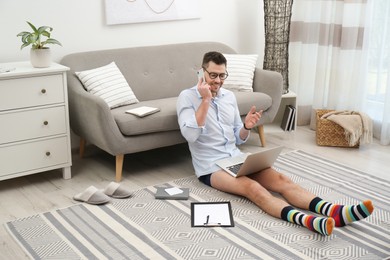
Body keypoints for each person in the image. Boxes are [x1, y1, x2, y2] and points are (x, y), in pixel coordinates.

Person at [176, 51, 374, 236]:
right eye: (213, 75)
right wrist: (205, 100)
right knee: (253, 188)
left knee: (282, 180)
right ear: (202, 72)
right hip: (211, 167)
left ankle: (334, 211)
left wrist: (246, 126)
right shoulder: (187, 97)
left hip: (235, 157)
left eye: (222, 76)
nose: (218, 81)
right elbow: (191, 136)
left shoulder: (229, 97)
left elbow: (238, 137)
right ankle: (308, 221)